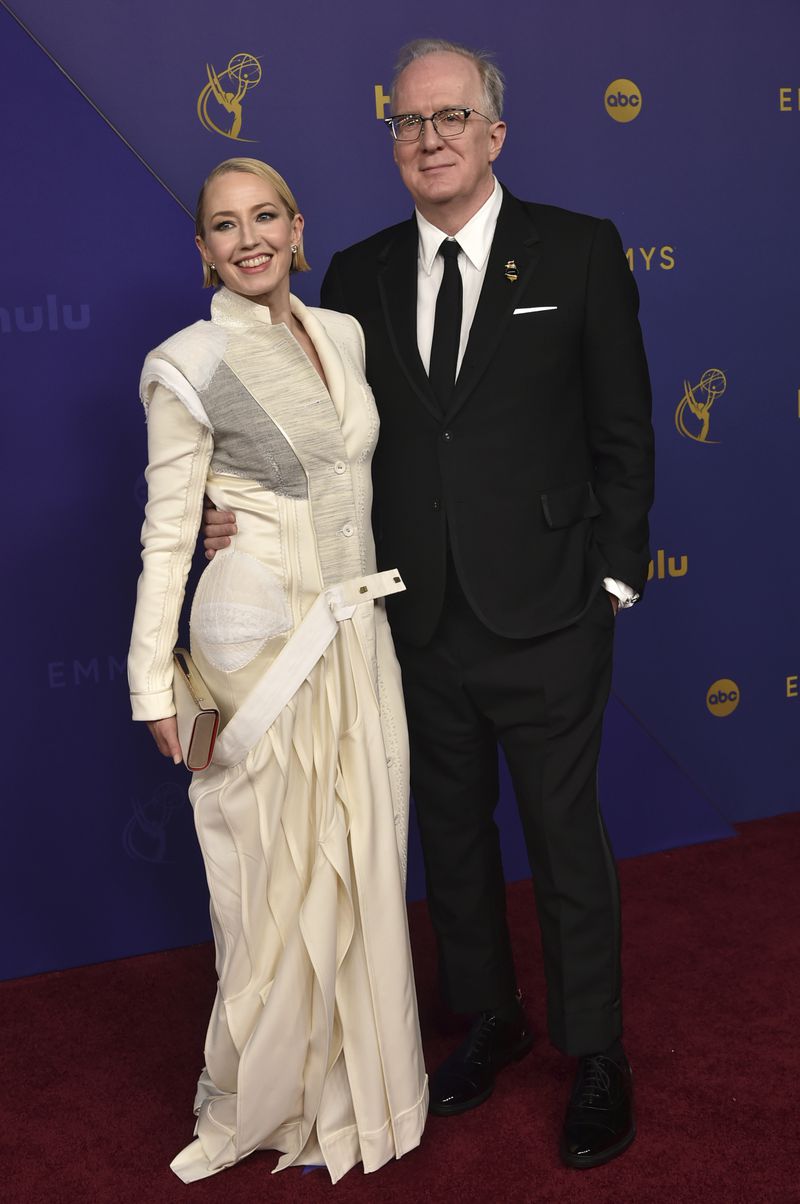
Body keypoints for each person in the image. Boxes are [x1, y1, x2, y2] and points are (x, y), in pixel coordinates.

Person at [205, 39, 654, 1170]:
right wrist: (235, 514)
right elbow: (315, 442)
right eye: (408, 123)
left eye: (451, 118)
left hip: (551, 610)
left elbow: (623, 431)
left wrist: (611, 577)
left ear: (493, 133)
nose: (430, 138)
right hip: (415, 616)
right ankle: (489, 1018)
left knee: (563, 841)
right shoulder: (351, 275)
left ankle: (593, 1051)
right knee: (447, 838)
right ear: (391, 141)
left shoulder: (582, 251)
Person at [128, 156, 427, 1184]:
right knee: (267, 877)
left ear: (298, 229)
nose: (248, 238)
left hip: (355, 632)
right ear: (201, 248)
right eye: (224, 225)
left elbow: (349, 478)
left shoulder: (339, 333)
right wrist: (151, 684)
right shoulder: (186, 360)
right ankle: (266, 1094)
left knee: (359, 855)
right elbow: (168, 534)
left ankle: (356, 1084)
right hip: (256, 638)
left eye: (265, 218)